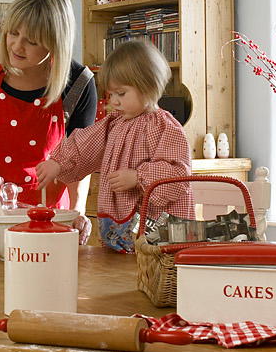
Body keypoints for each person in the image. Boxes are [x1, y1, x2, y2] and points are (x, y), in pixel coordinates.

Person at [0, 0, 97, 241]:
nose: (16, 46)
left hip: (47, 220)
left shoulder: (79, 84)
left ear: (55, 44)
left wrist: (76, 211)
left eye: (31, 41)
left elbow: (79, 159)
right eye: (13, 33)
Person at [34, 39, 191, 252]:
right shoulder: (114, 123)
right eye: (111, 94)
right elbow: (84, 144)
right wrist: (58, 163)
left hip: (155, 229)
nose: (114, 101)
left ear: (148, 85)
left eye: (121, 93)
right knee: (115, 272)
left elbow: (178, 176)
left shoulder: (165, 128)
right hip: (118, 225)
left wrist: (138, 177)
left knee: (147, 266)